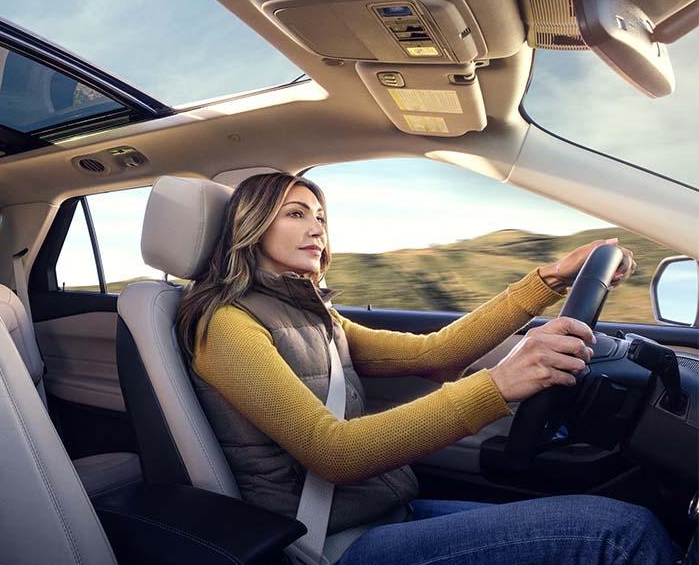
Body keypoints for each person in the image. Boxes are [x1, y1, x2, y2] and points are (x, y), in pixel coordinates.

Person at [177, 172, 678, 564]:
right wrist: (500, 384)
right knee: (620, 536)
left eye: (321, 217)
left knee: (624, 522)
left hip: (384, 513)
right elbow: (333, 454)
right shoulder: (225, 324)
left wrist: (547, 279)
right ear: (252, 224)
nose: (317, 228)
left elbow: (434, 355)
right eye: (295, 214)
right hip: (324, 542)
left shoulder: (312, 315)